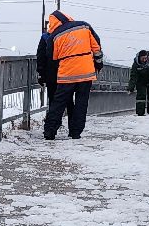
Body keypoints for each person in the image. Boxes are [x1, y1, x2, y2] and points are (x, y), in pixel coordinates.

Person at [37, 8, 104, 140]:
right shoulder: (84, 26)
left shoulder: (55, 35)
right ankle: (75, 132)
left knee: (58, 103)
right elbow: (96, 47)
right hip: (86, 73)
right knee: (81, 103)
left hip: (67, 75)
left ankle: (50, 131)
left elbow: (52, 57)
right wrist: (98, 64)